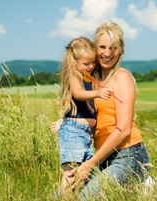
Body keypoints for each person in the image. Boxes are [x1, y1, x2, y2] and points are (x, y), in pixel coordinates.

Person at [68, 22, 150, 200]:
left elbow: (123, 129)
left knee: (85, 198)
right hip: (102, 158)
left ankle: (144, 182)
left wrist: (89, 165)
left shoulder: (122, 78)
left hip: (128, 155)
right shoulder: (91, 79)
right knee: (61, 195)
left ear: (121, 48)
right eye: (102, 47)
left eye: (112, 48)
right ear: (94, 47)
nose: (106, 54)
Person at [51, 37, 112, 199]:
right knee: (70, 177)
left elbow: (75, 104)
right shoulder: (73, 74)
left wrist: (64, 118)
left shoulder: (85, 75)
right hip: (74, 133)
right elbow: (77, 94)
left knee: (80, 178)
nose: (91, 66)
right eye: (86, 64)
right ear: (73, 62)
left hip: (83, 134)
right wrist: (98, 93)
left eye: (93, 62)